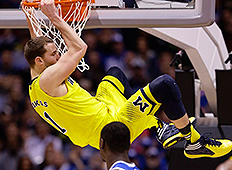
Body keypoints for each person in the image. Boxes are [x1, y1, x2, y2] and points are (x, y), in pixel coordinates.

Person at [22, 0, 232, 159]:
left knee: (114, 74)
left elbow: (36, 45)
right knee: (165, 84)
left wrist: (32, 15)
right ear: (40, 60)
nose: (59, 57)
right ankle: (194, 142)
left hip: (101, 116)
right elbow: (79, 48)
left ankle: (158, 127)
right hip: (114, 125)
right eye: (54, 54)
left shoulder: (36, 84)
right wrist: (55, 17)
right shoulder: (47, 79)